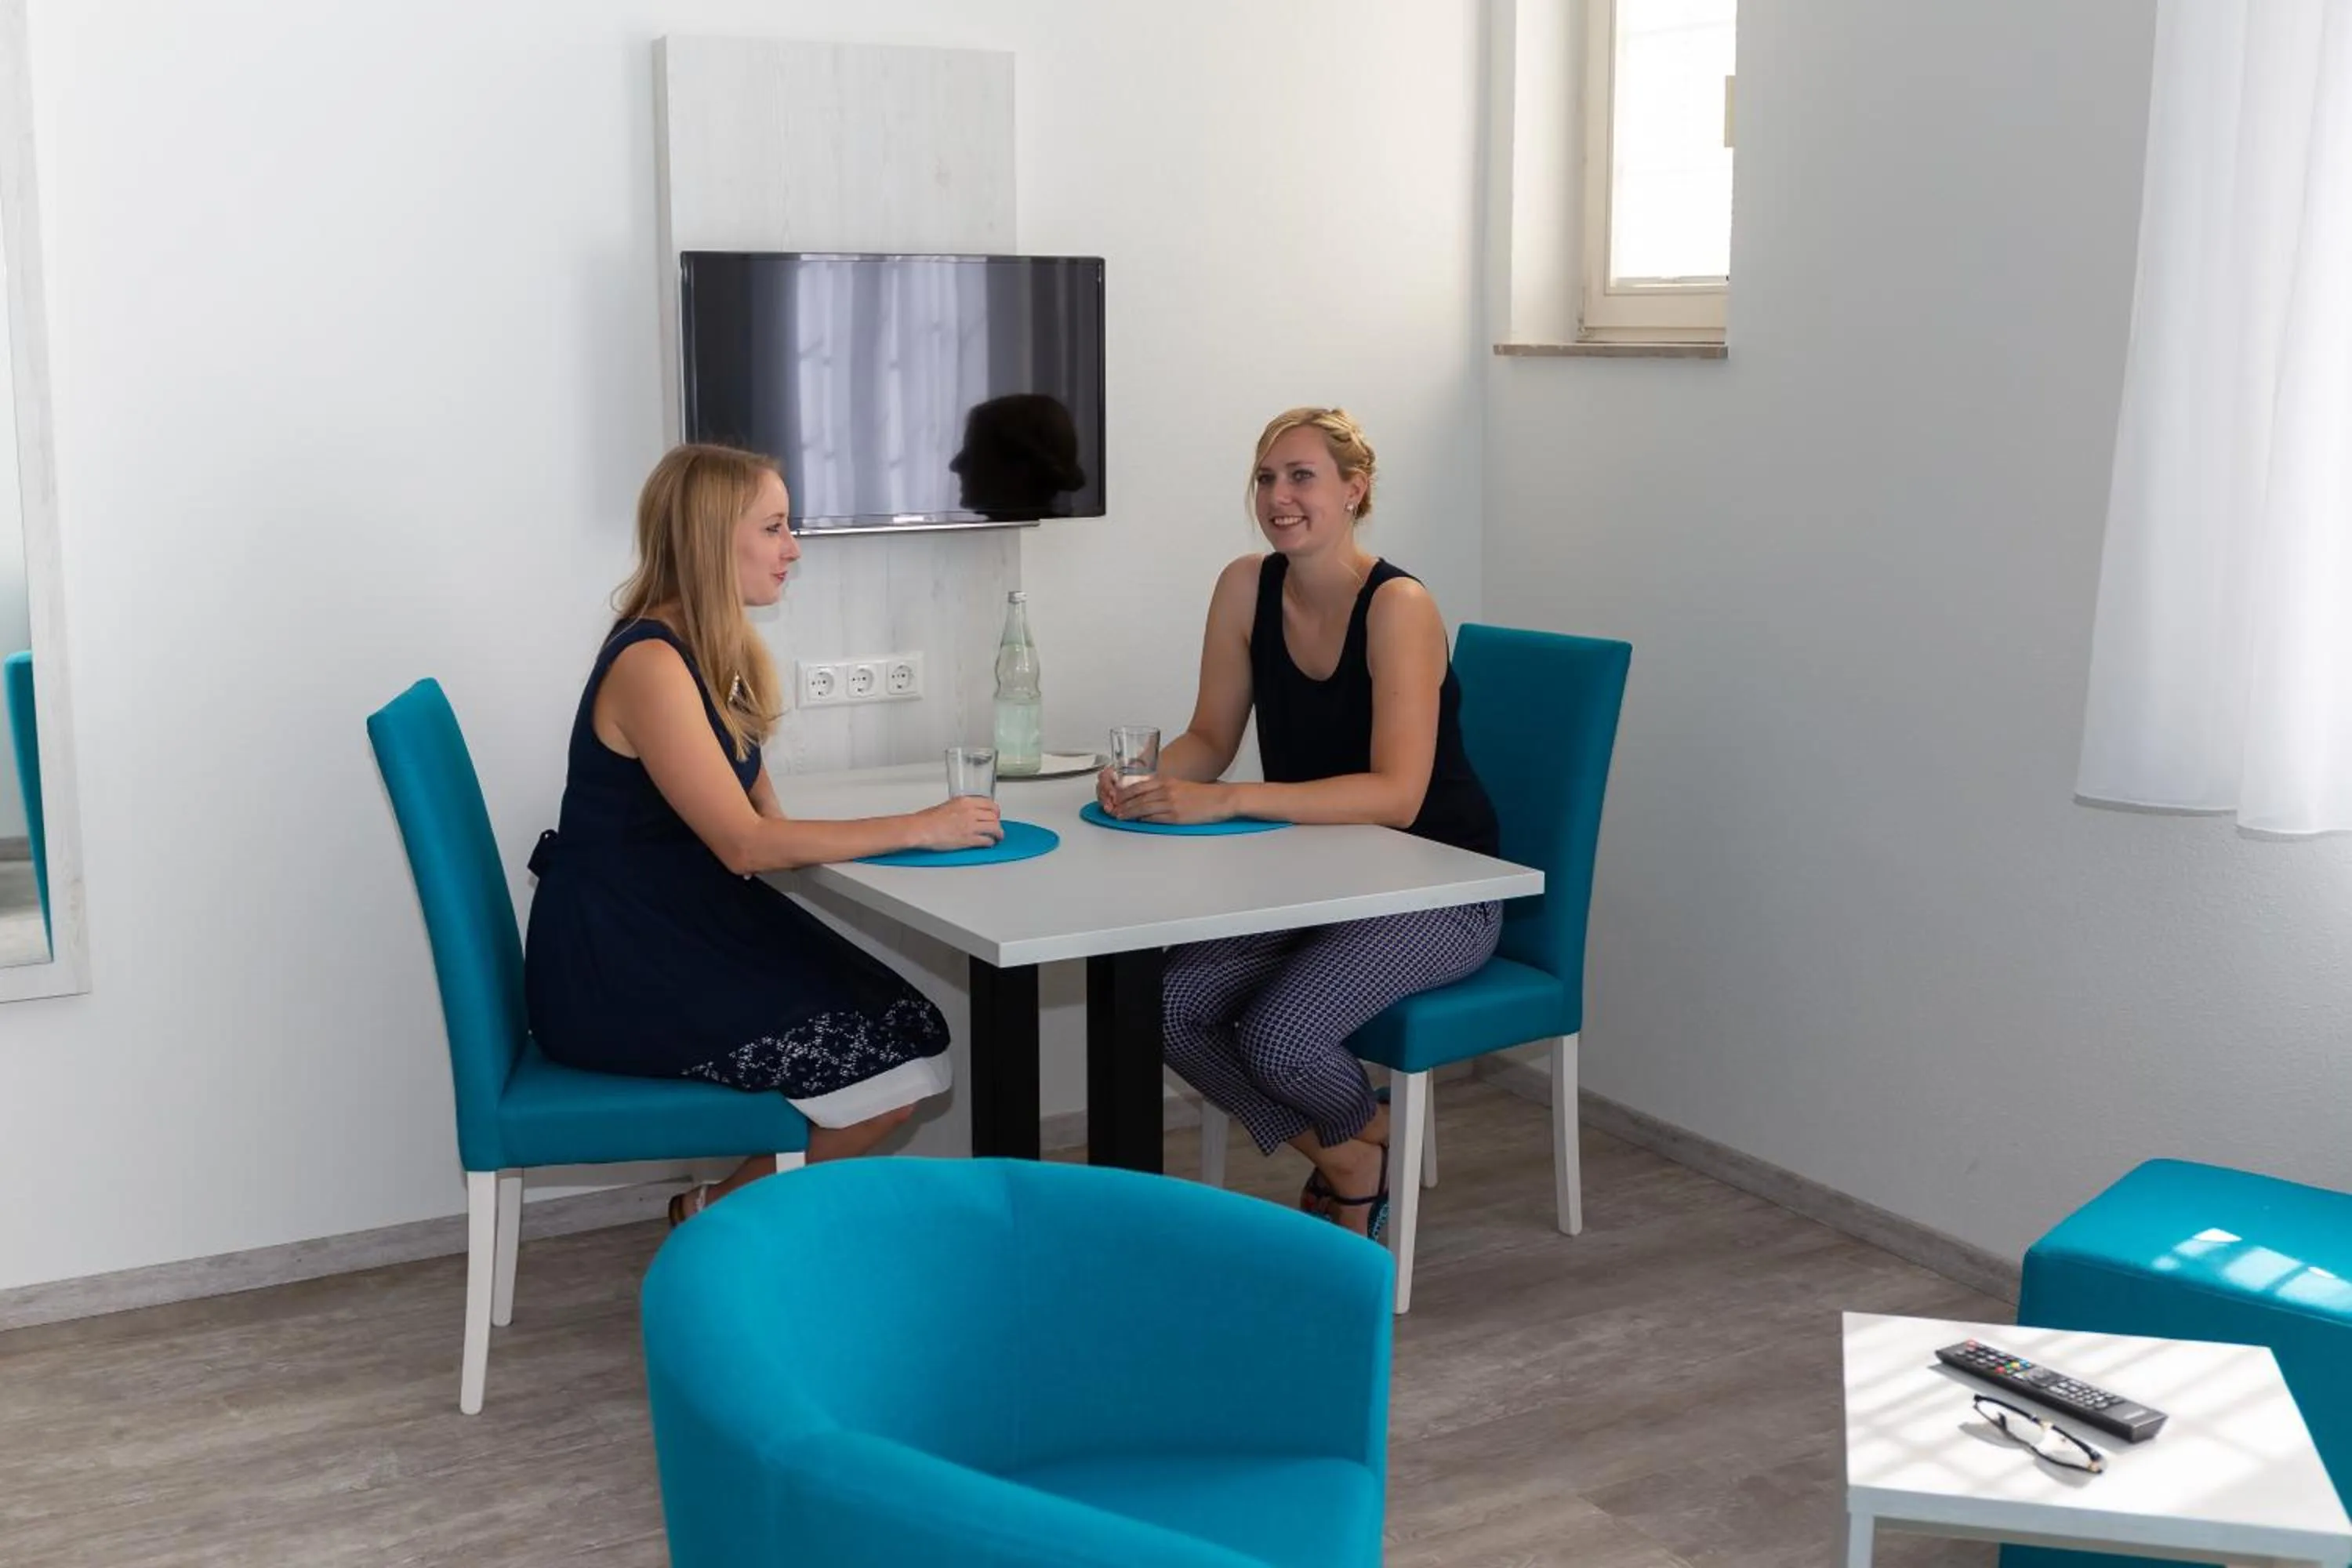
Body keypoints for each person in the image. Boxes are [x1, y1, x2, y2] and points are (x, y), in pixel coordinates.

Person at [524, 443, 1002, 1225]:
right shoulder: (651, 663)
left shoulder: (711, 648)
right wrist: (921, 826)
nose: (793, 548)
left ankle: (730, 1213)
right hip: (616, 964)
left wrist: (896, 826)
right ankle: (719, 1216)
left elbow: (762, 811)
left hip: (668, 928)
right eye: (774, 527)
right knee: (895, 1067)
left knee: (910, 1034)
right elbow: (745, 845)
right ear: (713, 540)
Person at [1098, 408, 1501, 1241]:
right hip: (1316, 880)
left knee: (1281, 1039)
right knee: (1163, 1006)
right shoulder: (1245, 586)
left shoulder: (1399, 606)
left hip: (1440, 889)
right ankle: (1358, 1147)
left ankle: (1359, 1154)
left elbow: (1397, 795)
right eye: (1265, 478)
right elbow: (1211, 738)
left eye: (1301, 476)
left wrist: (1233, 799)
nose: (1278, 497)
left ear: (1355, 491)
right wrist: (1146, 779)